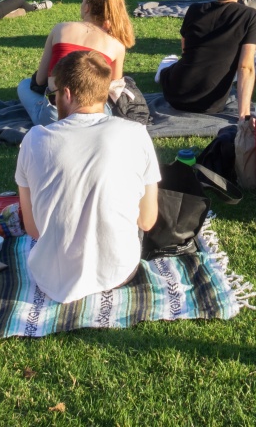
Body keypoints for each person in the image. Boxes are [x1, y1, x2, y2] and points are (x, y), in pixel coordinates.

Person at [15, 50, 160, 304]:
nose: (55, 100)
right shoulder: (136, 133)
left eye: (54, 94)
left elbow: (33, 229)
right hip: (118, 272)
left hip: (49, 276)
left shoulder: (33, 140)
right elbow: (147, 221)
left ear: (67, 93)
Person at [20, 0, 137, 126]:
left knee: (25, 85)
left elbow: (39, 80)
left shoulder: (61, 29)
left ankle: (44, 112)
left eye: (82, 1)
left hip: (57, 115)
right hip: (97, 117)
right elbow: (113, 89)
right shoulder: (117, 45)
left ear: (87, 7)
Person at [157, 0, 256, 115]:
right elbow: (246, 67)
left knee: (168, 63)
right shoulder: (249, 16)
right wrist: (244, 115)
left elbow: (185, 50)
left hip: (176, 93)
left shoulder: (194, 10)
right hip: (209, 102)